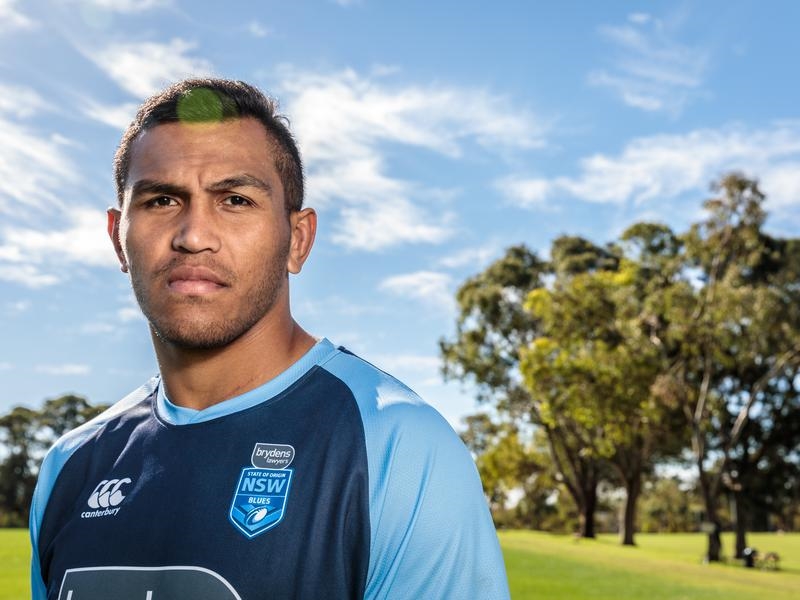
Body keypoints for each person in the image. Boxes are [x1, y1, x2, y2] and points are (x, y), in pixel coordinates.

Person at [29, 78, 510, 600]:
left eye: (235, 200)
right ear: (117, 238)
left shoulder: (398, 447)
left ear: (297, 240)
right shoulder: (68, 466)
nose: (194, 236)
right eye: (162, 200)